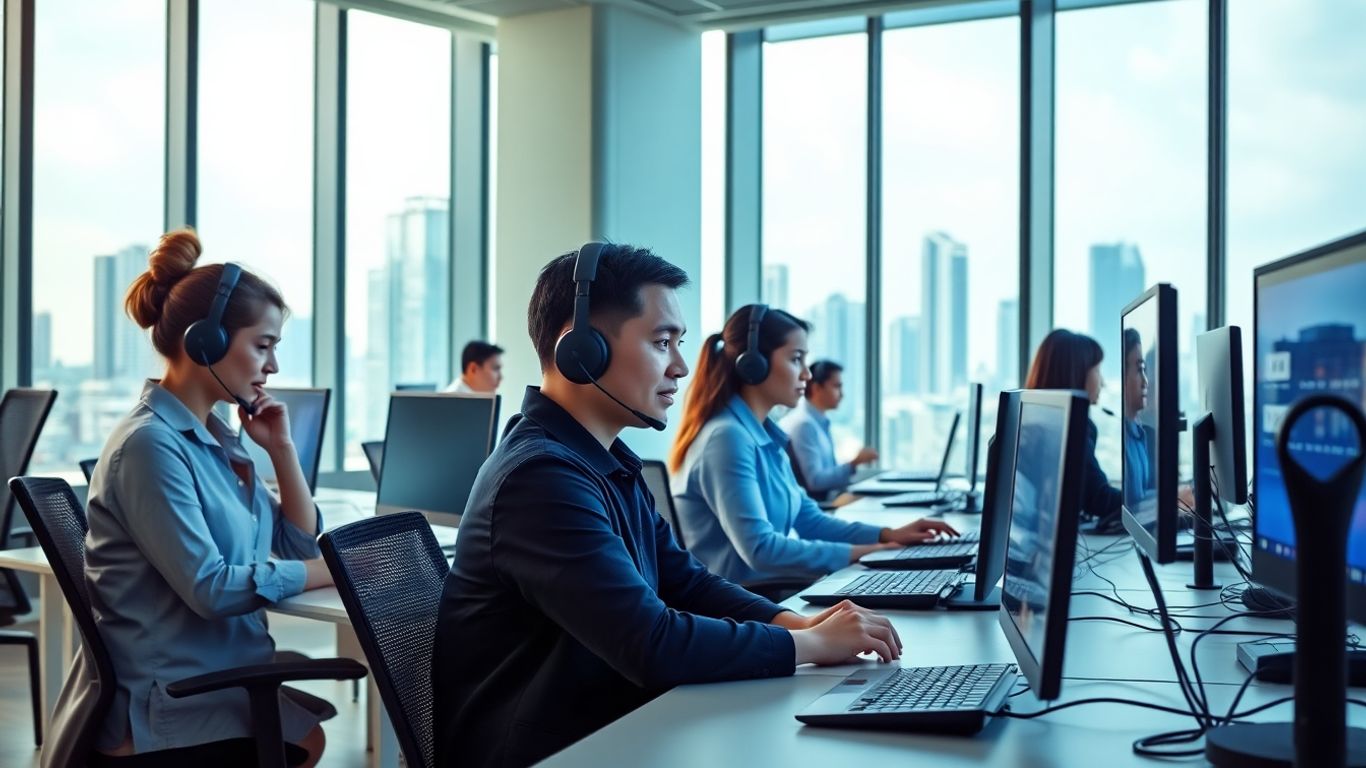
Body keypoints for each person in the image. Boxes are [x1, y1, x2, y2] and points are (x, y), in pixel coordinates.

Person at [432, 244, 905, 768]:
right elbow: (651, 643)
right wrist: (811, 649)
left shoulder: (603, 462)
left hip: (607, 724)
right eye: (662, 343)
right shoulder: (539, 479)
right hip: (548, 749)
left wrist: (794, 623)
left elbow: (688, 583)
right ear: (582, 350)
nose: (681, 366)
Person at [64, 229, 332, 766]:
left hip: (207, 679)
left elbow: (299, 545)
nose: (272, 367)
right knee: (304, 740)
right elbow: (211, 588)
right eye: (264, 345)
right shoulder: (149, 447)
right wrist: (339, 569)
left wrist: (280, 449)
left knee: (306, 734)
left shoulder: (213, 443)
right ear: (204, 342)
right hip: (168, 707)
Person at [668, 304, 957, 584]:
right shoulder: (726, 439)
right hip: (738, 612)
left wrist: (888, 535)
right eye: (796, 359)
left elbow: (809, 520)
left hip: (765, 597)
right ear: (754, 365)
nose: (806, 374)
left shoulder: (765, 436)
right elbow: (760, 551)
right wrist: (866, 553)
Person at [1024, 328, 1121, 523]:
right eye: (1097, 370)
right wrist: (1165, 501)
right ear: (1077, 374)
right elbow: (1099, 498)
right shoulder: (1067, 431)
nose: (1103, 383)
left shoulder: (1034, 423)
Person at [779, 359, 879, 501]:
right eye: (837, 386)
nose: (842, 394)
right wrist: (854, 463)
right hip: (819, 506)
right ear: (816, 388)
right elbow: (815, 482)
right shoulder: (804, 425)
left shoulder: (817, 421)